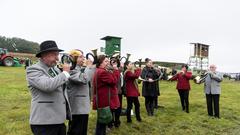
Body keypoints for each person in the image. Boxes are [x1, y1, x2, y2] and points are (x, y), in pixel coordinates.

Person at [26, 40, 71, 135]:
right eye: (54, 55)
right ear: (44, 55)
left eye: (58, 54)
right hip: (44, 122)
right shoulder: (33, 69)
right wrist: (65, 73)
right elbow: (48, 85)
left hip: (58, 120)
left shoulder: (54, 69)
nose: (57, 58)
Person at [67, 50, 95, 135]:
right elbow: (84, 79)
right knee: (76, 131)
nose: (83, 58)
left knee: (82, 131)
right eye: (80, 57)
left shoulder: (79, 69)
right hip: (77, 107)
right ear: (73, 58)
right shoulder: (71, 69)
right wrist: (89, 67)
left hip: (81, 107)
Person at [92, 55, 120, 135]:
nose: (108, 63)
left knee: (101, 121)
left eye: (108, 61)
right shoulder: (102, 71)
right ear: (100, 63)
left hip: (101, 99)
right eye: (106, 61)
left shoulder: (99, 70)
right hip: (104, 100)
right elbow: (114, 81)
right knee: (102, 121)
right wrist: (115, 70)